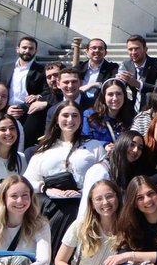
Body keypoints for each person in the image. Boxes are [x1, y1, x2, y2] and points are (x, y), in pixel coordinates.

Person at [26, 102, 106, 243]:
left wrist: (83, 192)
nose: (70, 120)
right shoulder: (44, 149)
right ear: (57, 119)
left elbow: (105, 178)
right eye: (65, 115)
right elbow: (27, 182)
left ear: (81, 120)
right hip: (51, 203)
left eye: (75, 116)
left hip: (84, 204)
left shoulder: (95, 146)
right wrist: (46, 189)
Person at [81, 78, 134, 145]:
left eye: (118, 94)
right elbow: (85, 140)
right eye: (110, 94)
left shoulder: (130, 120)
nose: (115, 98)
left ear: (124, 96)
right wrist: (104, 145)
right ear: (103, 97)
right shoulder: (90, 115)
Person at [117, 35, 157, 101]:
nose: (133, 52)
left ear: (145, 49)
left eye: (136, 49)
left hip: (153, 105)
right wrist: (118, 82)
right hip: (133, 106)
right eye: (130, 49)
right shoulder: (126, 65)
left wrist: (138, 84)